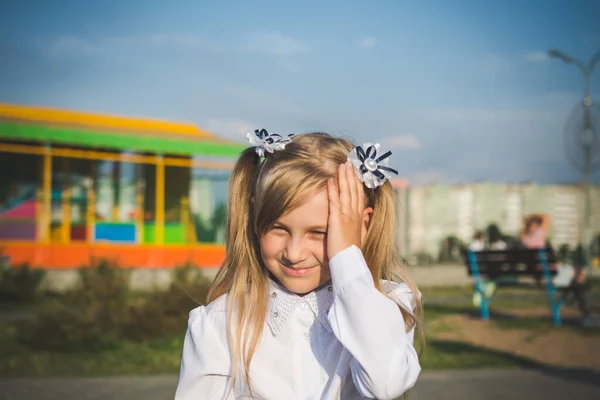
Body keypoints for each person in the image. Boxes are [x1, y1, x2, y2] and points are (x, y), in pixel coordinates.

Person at [174, 130, 422, 400]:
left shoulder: (388, 306)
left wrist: (347, 259)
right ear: (256, 218)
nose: (293, 253)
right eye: (278, 228)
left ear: (362, 226)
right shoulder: (220, 323)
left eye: (319, 233)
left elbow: (385, 383)